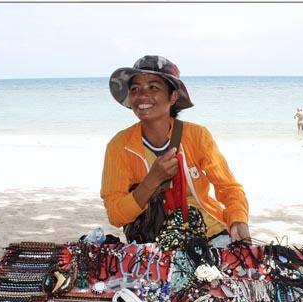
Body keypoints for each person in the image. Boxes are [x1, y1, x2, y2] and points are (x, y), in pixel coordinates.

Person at [101, 55, 250, 246]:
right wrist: (152, 180)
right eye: (135, 89)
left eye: (153, 87)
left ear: (173, 96)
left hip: (208, 231)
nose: (142, 95)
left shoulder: (197, 136)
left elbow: (228, 187)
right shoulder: (120, 146)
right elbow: (116, 215)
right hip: (153, 243)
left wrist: (238, 219)